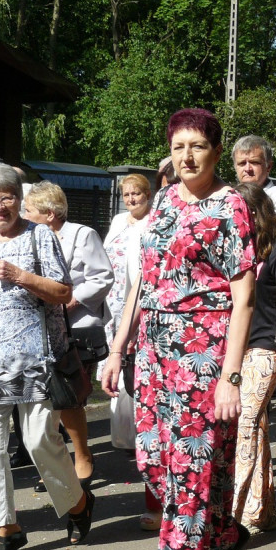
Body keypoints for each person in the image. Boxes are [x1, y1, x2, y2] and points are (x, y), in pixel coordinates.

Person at [100, 108, 256, 550]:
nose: (187, 156)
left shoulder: (230, 205)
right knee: (157, 463)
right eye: (178, 146)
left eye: (198, 146)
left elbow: (244, 296)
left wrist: (231, 376)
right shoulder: (164, 199)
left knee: (191, 469)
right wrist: (119, 344)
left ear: (215, 150)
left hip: (203, 351)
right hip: (153, 347)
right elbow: (144, 280)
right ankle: (224, 535)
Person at [0, 162, 93, 550]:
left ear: (19, 200)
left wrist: (21, 275)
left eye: (7, 197)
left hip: (36, 359)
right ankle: (7, 527)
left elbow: (61, 291)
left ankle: (76, 504)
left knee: (40, 441)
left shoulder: (39, 237)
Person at [23, 181, 113, 492]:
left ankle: (83, 456)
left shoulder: (81, 234)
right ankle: (56, 465)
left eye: (29, 210)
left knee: (70, 396)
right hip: (38, 328)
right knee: (45, 401)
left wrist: (73, 299)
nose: (23, 214)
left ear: (49, 214)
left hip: (75, 327)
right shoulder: (27, 237)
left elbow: (103, 275)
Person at [230, 181, 276, 533]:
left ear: (253, 212)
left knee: (244, 425)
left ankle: (234, 515)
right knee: (256, 427)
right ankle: (264, 512)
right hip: (238, 349)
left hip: (268, 349)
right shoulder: (237, 249)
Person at [100, 173, 157, 529]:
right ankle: (125, 436)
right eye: (126, 194)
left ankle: (142, 437)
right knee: (117, 371)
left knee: (137, 375)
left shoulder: (155, 223)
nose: (131, 199)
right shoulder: (119, 221)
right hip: (116, 302)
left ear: (148, 195)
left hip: (141, 305)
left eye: (137, 193)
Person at [232, 135, 276, 234]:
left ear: (268, 166)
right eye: (242, 163)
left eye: (254, 162)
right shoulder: (228, 196)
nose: (248, 169)